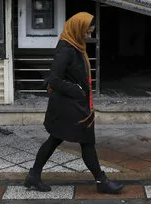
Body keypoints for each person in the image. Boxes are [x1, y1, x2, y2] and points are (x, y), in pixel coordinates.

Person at [24, 12, 124, 194]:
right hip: (68, 106)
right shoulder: (67, 49)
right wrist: (78, 91)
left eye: (91, 32)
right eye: (87, 32)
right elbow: (54, 80)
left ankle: (34, 175)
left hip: (71, 105)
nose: (89, 36)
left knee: (56, 139)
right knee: (86, 141)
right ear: (78, 29)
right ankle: (101, 181)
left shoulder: (76, 45)